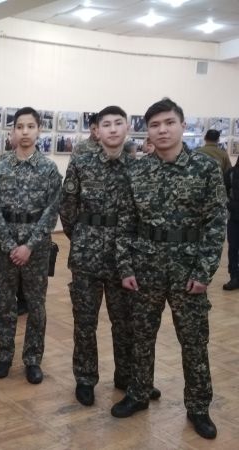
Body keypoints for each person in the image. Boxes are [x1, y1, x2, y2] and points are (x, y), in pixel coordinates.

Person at [111, 98, 226, 440]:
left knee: (193, 341)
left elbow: (216, 223)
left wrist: (204, 271)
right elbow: (125, 223)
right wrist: (125, 266)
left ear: (182, 125)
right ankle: (138, 392)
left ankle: (198, 407)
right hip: (145, 266)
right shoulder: (137, 171)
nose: (162, 130)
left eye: (169, 123)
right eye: (155, 125)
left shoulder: (205, 168)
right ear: (148, 131)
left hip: (187, 270)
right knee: (141, 336)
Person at [60, 106, 160, 407]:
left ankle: (126, 376)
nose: (113, 129)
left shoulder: (139, 168)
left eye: (118, 123)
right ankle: (85, 378)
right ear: (97, 130)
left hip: (124, 259)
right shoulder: (81, 163)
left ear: (127, 127)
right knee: (85, 322)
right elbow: (68, 208)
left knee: (125, 322)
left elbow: (144, 214)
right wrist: (81, 237)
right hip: (86, 256)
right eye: (106, 124)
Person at [0, 107, 61, 384]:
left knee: (36, 306)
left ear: (39, 130)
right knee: (4, 304)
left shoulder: (49, 169)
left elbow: (51, 212)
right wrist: (9, 245)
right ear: (13, 131)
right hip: (6, 246)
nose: (25, 132)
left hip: (36, 249)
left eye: (30, 126)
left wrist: (28, 246)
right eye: (20, 127)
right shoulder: (2, 166)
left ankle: (32, 359)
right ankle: (4, 355)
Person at [224, 158, 239, 290]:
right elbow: (222, 191)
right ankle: (234, 277)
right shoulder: (231, 173)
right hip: (234, 217)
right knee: (233, 248)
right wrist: (229, 205)